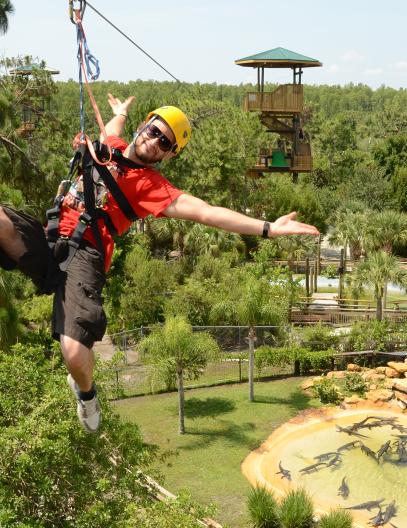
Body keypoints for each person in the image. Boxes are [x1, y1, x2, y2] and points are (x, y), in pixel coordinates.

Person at [0, 93, 319, 433]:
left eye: (164, 143)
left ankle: (86, 393)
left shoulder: (152, 186)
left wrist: (268, 228)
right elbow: (112, 129)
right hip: (50, 240)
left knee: (74, 354)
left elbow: (207, 213)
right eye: (153, 132)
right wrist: (120, 113)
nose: (154, 142)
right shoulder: (110, 146)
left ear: (168, 155)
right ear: (143, 126)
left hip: (86, 256)